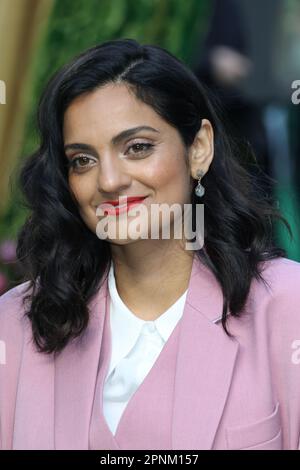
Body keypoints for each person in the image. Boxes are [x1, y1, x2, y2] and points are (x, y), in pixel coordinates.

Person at [0, 38, 300, 450]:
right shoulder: (16, 323)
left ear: (198, 149)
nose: (109, 181)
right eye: (82, 159)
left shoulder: (286, 305)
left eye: (137, 148)